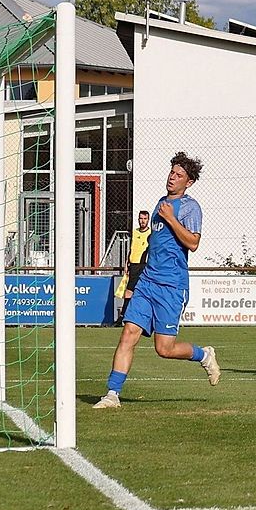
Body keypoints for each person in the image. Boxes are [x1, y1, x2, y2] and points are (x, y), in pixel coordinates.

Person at [94, 152, 220, 408]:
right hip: (148, 282)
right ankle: (112, 394)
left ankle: (204, 354)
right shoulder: (160, 203)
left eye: (179, 175)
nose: (172, 178)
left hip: (172, 286)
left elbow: (193, 243)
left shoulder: (189, 207)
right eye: (172, 173)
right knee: (128, 333)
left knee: (164, 349)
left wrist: (172, 219)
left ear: (189, 182)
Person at [113, 210, 151, 326]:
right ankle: (124, 317)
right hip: (133, 265)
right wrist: (126, 262)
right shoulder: (135, 232)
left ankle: (125, 318)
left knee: (137, 292)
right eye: (141, 218)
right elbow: (132, 248)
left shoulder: (151, 233)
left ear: (148, 220)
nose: (142, 221)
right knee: (129, 292)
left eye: (144, 219)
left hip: (143, 265)